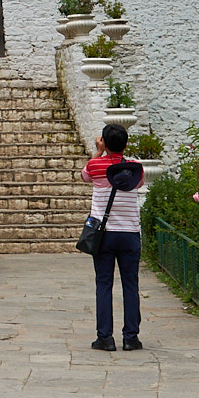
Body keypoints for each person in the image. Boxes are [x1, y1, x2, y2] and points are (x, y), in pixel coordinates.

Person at [85, 122, 145, 351]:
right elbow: (137, 185)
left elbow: (84, 176)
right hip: (129, 233)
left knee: (104, 283)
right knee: (130, 285)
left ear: (105, 142)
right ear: (126, 143)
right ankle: (131, 337)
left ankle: (105, 337)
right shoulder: (136, 169)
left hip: (104, 234)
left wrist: (99, 152)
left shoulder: (95, 165)